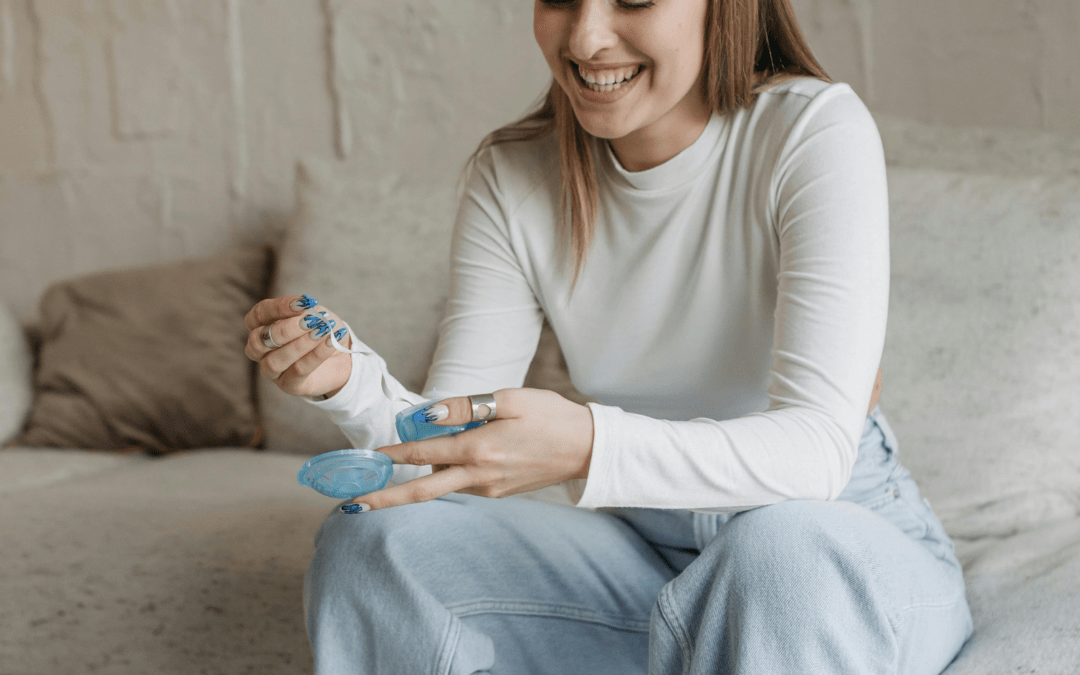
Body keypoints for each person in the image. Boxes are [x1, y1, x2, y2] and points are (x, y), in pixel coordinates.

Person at [244, 0, 973, 672]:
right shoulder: (514, 174)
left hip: (833, 556)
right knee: (370, 543)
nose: (586, 38)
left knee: (776, 554)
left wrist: (589, 443)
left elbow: (816, 452)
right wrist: (349, 382)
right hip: (641, 558)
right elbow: (452, 463)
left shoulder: (811, 131)